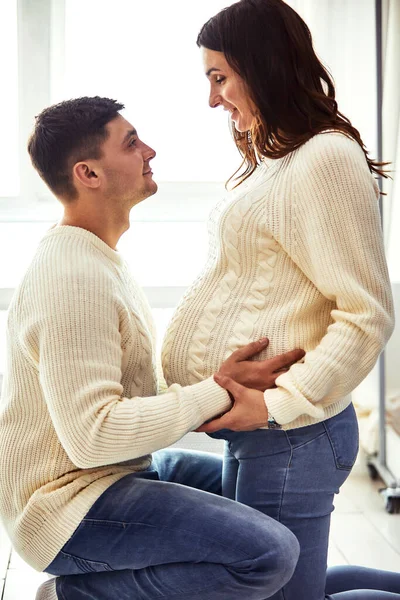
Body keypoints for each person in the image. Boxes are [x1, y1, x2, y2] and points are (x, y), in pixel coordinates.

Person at [0, 96, 305, 600]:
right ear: (89, 173)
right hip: (66, 507)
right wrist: (218, 391)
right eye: (131, 142)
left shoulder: (98, 258)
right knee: (268, 554)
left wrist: (221, 380)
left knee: (270, 490)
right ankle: (73, 596)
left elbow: (132, 396)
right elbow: (94, 437)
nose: (150, 150)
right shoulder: (71, 276)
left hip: (121, 471)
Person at [160, 1, 395, 599]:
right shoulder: (278, 161)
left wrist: (277, 406)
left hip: (291, 434)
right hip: (266, 434)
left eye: (219, 77)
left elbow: (366, 313)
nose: (212, 99)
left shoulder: (324, 158)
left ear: (260, 67)